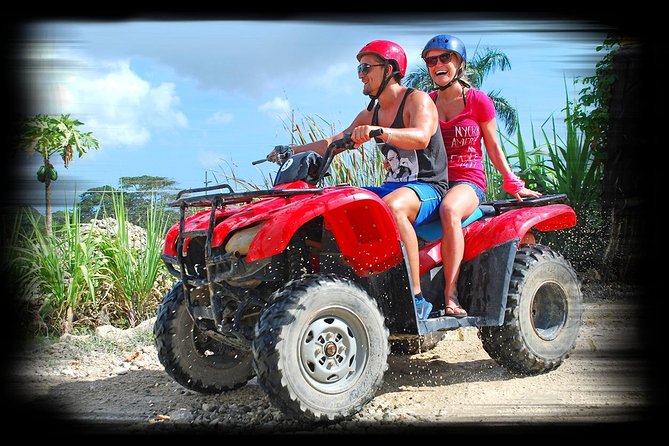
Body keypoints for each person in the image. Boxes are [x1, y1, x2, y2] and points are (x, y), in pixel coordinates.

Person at [266, 40, 449, 320]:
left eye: (366, 68)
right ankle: (342, 289)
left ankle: (416, 298)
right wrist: (290, 151)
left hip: (428, 187)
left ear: (389, 69)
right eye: (359, 69)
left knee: (393, 207)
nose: (361, 75)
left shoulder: (417, 100)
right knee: (335, 203)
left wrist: (379, 132)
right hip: (393, 186)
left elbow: (422, 136)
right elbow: (332, 142)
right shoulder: (370, 112)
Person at [421, 34, 542, 317]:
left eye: (444, 58)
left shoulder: (478, 101)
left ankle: (451, 294)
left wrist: (512, 182)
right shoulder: (426, 103)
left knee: (450, 209)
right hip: (433, 181)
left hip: (467, 182)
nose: (437, 64)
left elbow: (493, 146)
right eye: (431, 60)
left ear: (459, 63)